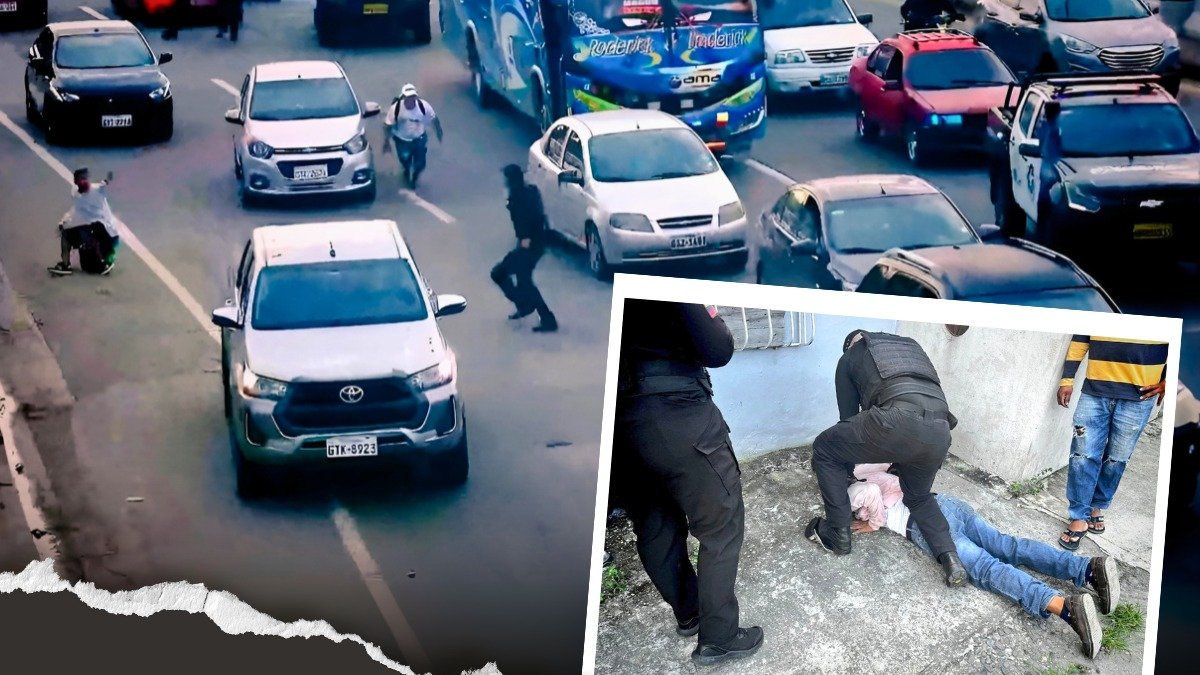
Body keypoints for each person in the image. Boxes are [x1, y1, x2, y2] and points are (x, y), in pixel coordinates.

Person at [614, 300, 763, 666]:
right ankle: (720, 639)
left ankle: (690, 613)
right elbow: (717, 348)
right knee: (720, 527)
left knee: (655, 525)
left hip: (618, 424)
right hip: (676, 411)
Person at [848, 463, 1116, 659]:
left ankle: (1064, 606)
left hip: (923, 524)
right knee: (1008, 545)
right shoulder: (867, 462)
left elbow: (867, 492)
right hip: (945, 504)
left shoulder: (848, 482)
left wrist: (873, 522)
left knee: (986, 568)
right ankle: (1088, 569)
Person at [806, 329, 968, 587]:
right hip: (940, 432)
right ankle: (950, 558)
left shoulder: (851, 356)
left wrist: (846, 477)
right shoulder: (910, 348)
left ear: (852, 343)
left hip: (894, 422)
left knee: (826, 448)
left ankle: (838, 533)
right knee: (918, 497)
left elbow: (848, 418)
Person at [1056, 335, 1168, 550]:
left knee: (1117, 458)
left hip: (1140, 397)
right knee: (1083, 455)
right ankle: (1079, 515)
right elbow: (1081, 338)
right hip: (1094, 391)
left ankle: (1096, 505)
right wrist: (1067, 380)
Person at [490, 164, 557, 333]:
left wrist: (526, 238)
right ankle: (527, 307)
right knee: (524, 279)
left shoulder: (517, 198)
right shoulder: (530, 190)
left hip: (529, 244)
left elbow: (524, 219)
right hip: (538, 241)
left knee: (500, 273)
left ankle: (540, 314)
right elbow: (539, 214)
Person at [49, 168, 120, 276]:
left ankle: (104, 263)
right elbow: (76, 209)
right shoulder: (75, 193)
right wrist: (63, 222)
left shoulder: (98, 189)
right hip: (90, 230)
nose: (83, 181)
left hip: (107, 233)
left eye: (85, 178)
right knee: (66, 234)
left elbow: (106, 185)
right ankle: (65, 265)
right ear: (75, 181)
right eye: (80, 179)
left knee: (95, 227)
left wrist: (109, 180)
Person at [382, 84, 443, 189]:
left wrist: (439, 132)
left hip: (419, 139)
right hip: (402, 141)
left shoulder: (423, 106)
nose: (411, 100)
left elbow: (434, 119)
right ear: (403, 97)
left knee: (420, 165)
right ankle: (406, 171)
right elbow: (388, 125)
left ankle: (414, 178)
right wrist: (386, 142)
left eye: (413, 97)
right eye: (408, 97)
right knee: (405, 160)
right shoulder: (396, 108)